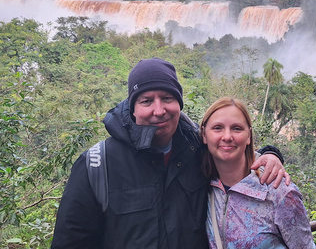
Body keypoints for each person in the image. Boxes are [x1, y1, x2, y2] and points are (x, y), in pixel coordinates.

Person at [51, 58, 288, 249]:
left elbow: (233, 152)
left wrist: (270, 154)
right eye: (146, 101)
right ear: (133, 108)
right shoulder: (97, 165)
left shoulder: (198, 151)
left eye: (167, 98)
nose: (158, 110)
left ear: (179, 103)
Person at [201, 97, 315, 249]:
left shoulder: (278, 191)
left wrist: (271, 153)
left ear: (248, 136)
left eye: (237, 128)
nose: (227, 137)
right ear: (204, 135)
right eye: (217, 128)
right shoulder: (202, 186)